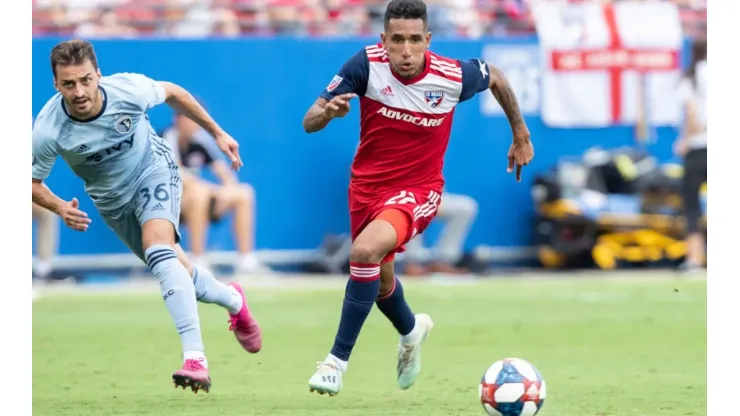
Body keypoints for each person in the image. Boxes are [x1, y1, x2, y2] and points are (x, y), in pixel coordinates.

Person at [301, 0, 534, 396]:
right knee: (377, 280)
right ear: (383, 40)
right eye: (397, 40)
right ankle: (411, 333)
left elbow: (497, 77)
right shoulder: (364, 65)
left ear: (427, 39)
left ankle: (334, 364)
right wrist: (329, 115)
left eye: (413, 40)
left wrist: (521, 134)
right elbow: (310, 121)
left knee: (362, 254)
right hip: (366, 189)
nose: (405, 50)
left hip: (418, 189)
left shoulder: (452, 75)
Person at [31, 40, 262, 394]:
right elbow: (30, 181)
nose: (79, 91)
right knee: (175, 268)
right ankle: (233, 299)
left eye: (86, 80)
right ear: (56, 85)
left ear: (99, 75)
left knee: (158, 249)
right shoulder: (49, 128)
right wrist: (60, 207)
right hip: (112, 201)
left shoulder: (128, 89)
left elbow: (174, 93)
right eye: (69, 84)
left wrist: (217, 133)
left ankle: (195, 358)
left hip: (155, 170)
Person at [163, 112, 271, 274]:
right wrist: (212, 191)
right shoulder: (166, 137)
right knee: (198, 193)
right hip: (169, 206)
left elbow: (225, 174)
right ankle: (198, 260)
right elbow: (179, 176)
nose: (195, 125)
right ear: (177, 119)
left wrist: (227, 190)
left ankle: (245, 261)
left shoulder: (200, 139)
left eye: (196, 120)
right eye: (190, 119)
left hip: (203, 197)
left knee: (244, 193)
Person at [673, 38, 707, 272]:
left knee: (692, 207)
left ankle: (695, 258)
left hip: (698, 148)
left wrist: (686, 138)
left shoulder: (692, 77)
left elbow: (692, 114)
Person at [403, 191, 479, 276]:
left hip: (427, 194)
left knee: (466, 207)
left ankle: (443, 261)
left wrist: (435, 198)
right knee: (410, 205)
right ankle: (413, 262)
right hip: (400, 196)